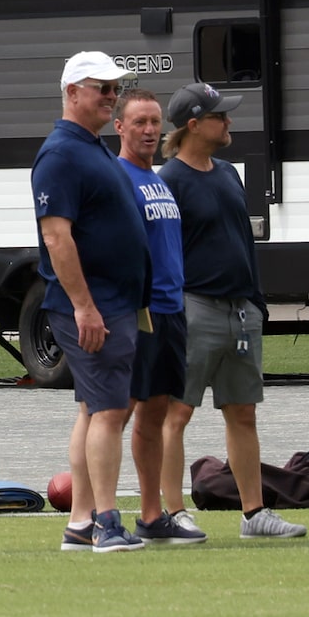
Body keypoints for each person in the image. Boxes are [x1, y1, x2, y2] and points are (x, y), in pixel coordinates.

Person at [158, 85, 305, 540]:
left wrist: (255, 301)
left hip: (241, 310)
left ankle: (254, 514)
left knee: (243, 414)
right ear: (193, 125)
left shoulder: (227, 173)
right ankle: (174, 512)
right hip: (193, 309)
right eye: (220, 116)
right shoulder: (169, 180)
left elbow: (242, 242)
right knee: (176, 414)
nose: (229, 122)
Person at [30, 52, 150, 554]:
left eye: (113, 87)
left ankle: (81, 522)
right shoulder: (61, 154)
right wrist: (84, 306)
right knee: (108, 412)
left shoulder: (91, 148)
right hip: (93, 306)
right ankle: (106, 522)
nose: (109, 95)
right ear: (72, 92)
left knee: (93, 409)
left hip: (113, 302)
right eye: (99, 86)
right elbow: (57, 238)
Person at [116, 93, 203, 545]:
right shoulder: (120, 178)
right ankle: (98, 515)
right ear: (120, 128)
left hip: (172, 310)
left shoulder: (159, 181)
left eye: (155, 122)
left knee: (155, 412)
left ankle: (153, 517)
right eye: (140, 122)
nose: (150, 130)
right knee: (116, 413)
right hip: (139, 312)